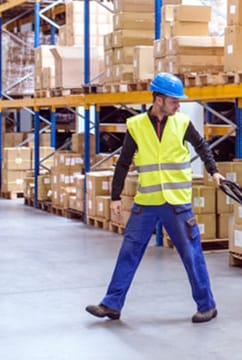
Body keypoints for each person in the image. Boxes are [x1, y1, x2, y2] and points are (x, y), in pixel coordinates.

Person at [86, 73, 225, 323]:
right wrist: (115, 196)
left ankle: (207, 305)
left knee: (191, 254)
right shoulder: (136, 125)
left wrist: (214, 171)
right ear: (159, 99)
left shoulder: (182, 123)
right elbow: (124, 162)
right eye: (174, 100)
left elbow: (202, 147)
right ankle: (111, 304)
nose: (178, 105)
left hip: (176, 203)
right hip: (147, 203)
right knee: (129, 251)